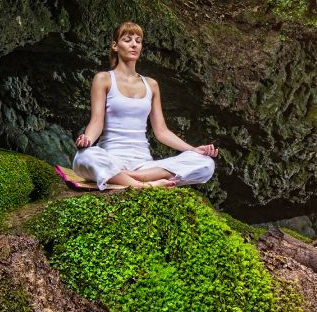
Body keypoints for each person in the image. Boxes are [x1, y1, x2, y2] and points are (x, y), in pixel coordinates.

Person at [71, 21, 217, 190]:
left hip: (144, 164)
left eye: (138, 41)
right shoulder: (103, 79)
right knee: (84, 157)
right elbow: (96, 121)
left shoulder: (151, 85)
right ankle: (145, 185)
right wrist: (87, 140)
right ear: (115, 46)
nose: (134, 44)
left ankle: (131, 178)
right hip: (112, 158)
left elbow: (161, 131)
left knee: (206, 164)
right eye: (127, 40)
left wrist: (193, 149)